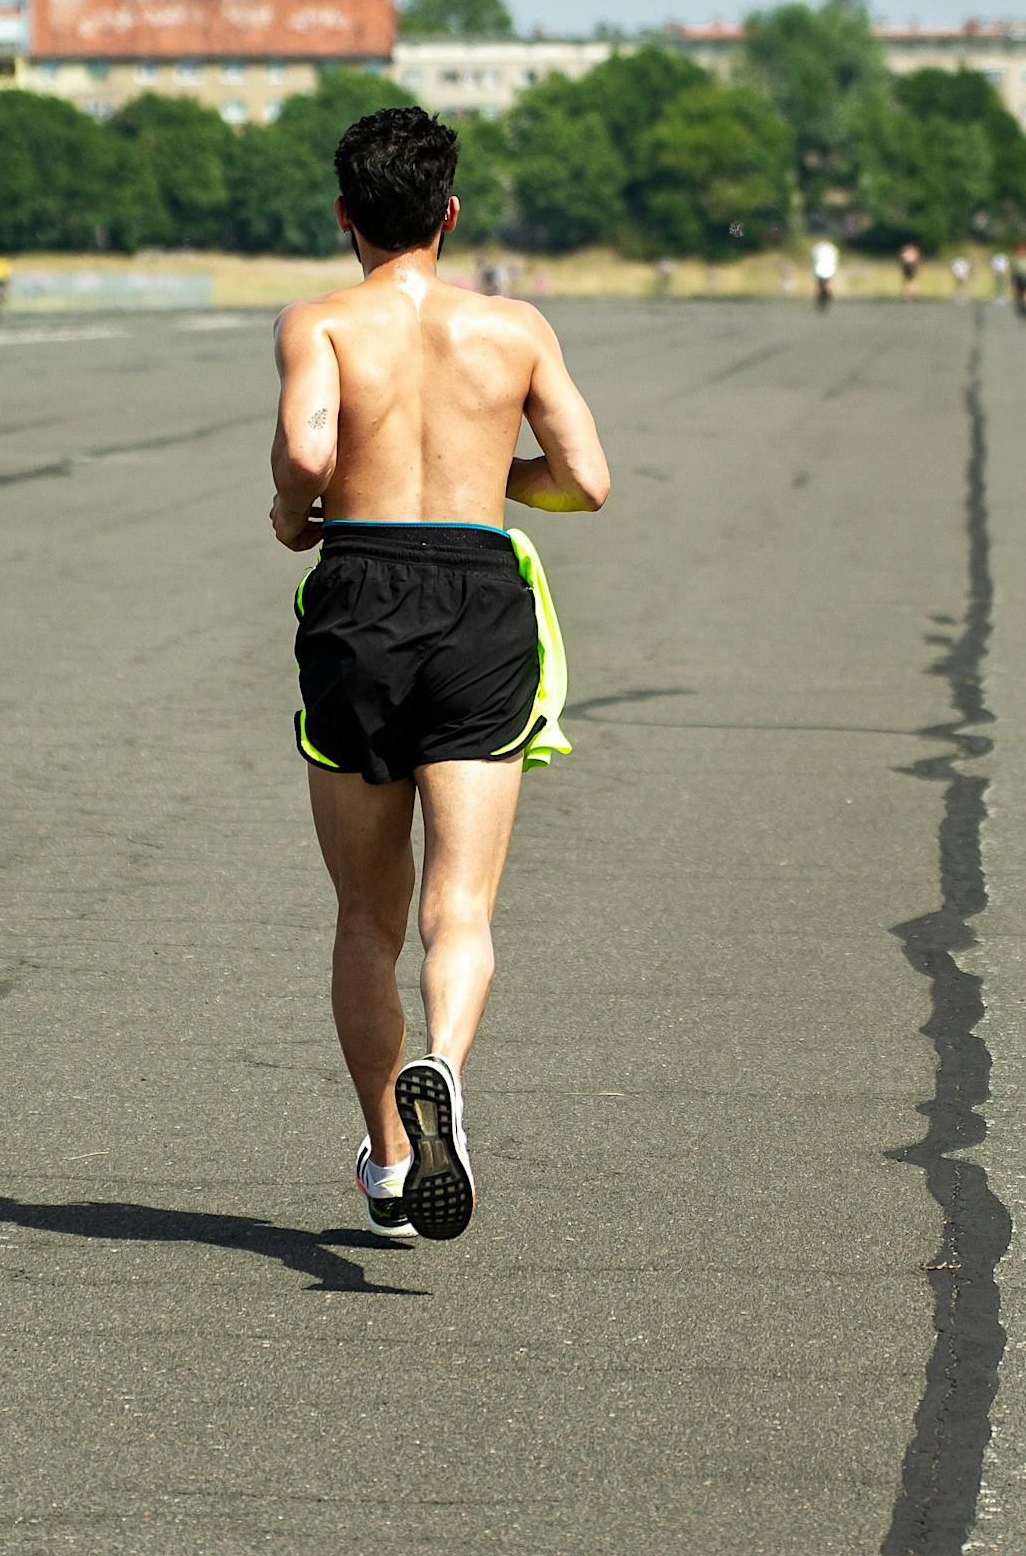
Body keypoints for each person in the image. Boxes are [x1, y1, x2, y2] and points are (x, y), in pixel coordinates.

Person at [270, 107, 610, 1242]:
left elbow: (310, 454)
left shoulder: (318, 321)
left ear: (344, 217)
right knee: (456, 900)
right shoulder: (510, 328)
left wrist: (289, 512)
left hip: (361, 588)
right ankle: (445, 1067)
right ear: (449, 214)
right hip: (476, 593)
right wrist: (483, 474)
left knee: (365, 911)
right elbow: (586, 479)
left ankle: (388, 1152)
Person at [811, 238, 839, 311]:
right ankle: (827, 292)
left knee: (819, 284)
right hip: (829, 268)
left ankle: (820, 298)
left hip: (819, 268)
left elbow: (813, 259)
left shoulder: (817, 248)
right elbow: (835, 260)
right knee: (828, 282)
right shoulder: (832, 249)